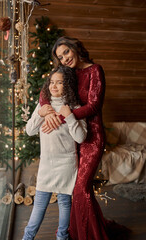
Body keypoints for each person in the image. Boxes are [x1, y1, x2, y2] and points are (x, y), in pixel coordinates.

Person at [39, 36, 131, 240]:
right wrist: (45, 109)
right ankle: (84, 230)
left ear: (75, 48)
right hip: (71, 137)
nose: (64, 59)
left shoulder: (95, 70)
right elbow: (46, 90)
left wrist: (63, 117)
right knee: (77, 189)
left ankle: (90, 236)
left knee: (80, 189)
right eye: (60, 57)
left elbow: (93, 106)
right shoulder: (66, 73)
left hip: (92, 138)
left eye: (66, 52)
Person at [22, 65, 87, 240]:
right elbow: (29, 130)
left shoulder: (74, 106)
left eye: (59, 83)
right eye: (52, 82)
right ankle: (27, 237)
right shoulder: (44, 105)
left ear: (68, 85)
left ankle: (62, 237)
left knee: (65, 203)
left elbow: (81, 137)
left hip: (66, 163)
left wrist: (70, 116)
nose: (54, 86)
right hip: (47, 164)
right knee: (39, 204)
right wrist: (40, 114)